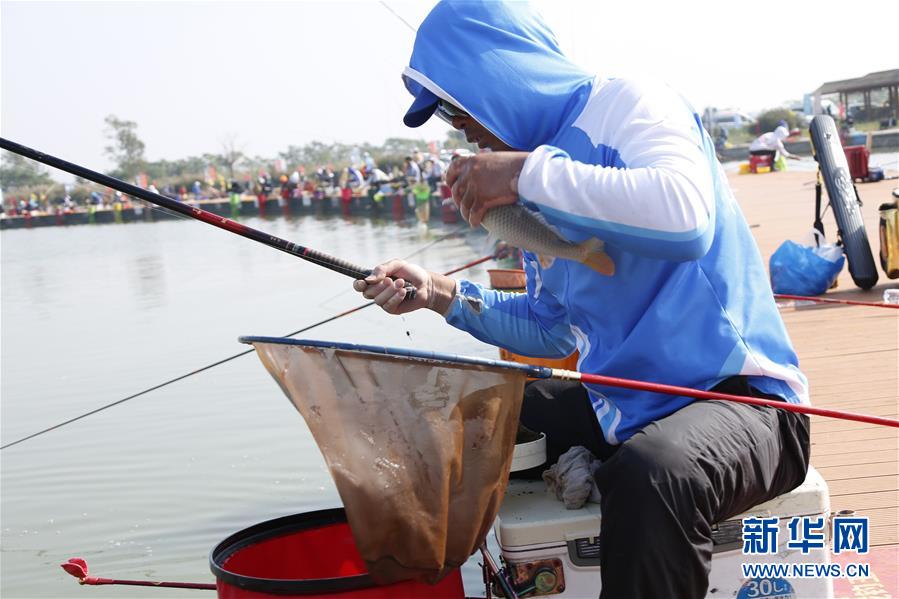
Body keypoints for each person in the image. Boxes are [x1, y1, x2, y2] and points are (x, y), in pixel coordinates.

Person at [352, 2, 810, 598]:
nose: (457, 125)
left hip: (746, 407)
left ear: (498, 71)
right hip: (624, 406)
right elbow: (552, 332)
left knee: (654, 474)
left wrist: (523, 175)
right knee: (476, 408)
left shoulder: (629, 104)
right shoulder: (539, 177)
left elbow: (686, 218)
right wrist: (439, 293)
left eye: (456, 104)